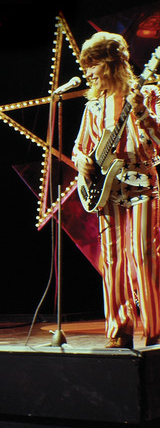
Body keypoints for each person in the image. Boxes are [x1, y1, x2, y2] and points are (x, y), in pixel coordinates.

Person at [72, 31, 160, 349]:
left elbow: (159, 142)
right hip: (107, 190)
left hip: (142, 183)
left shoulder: (147, 94)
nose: (88, 73)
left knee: (143, 255)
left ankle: (155, 328)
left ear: (111, 63)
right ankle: (120, 329)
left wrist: (143, 113)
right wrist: (82, 161)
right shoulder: (94, 107)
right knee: (111, 259)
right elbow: (79, 148)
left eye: (92, 65)